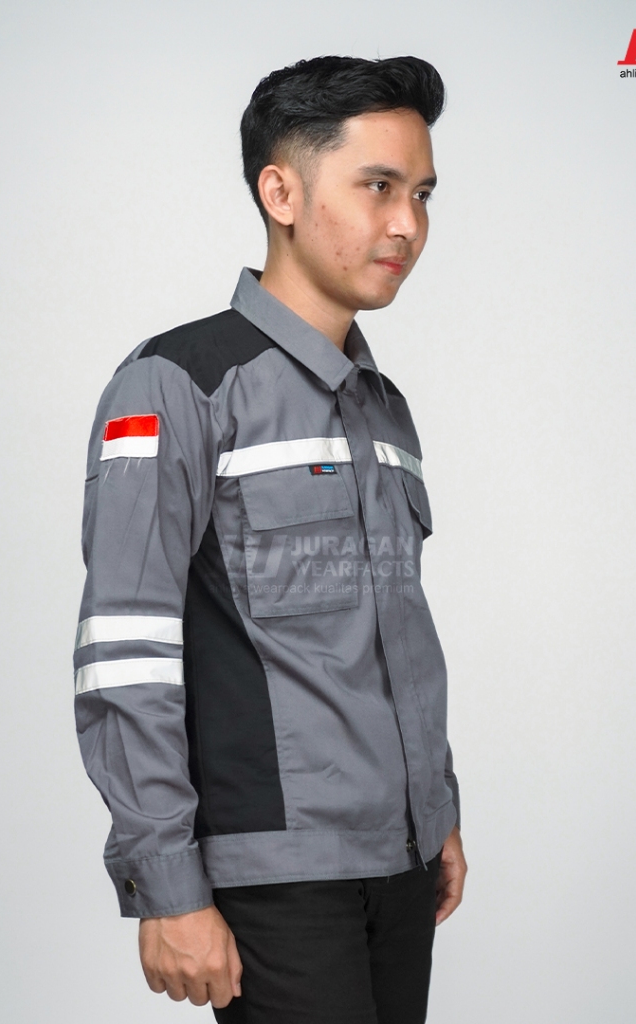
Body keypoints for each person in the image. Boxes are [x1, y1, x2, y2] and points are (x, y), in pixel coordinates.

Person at [74, 55, 466, 1023]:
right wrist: (167, 882)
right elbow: (126, 650)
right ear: (280, 192)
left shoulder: (383, 408)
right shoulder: (178, 382)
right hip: (274, 876)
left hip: (402, 862)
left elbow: (392, 636)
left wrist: (437, 812)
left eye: (421, 194)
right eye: (377, 186)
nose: (407, 225)